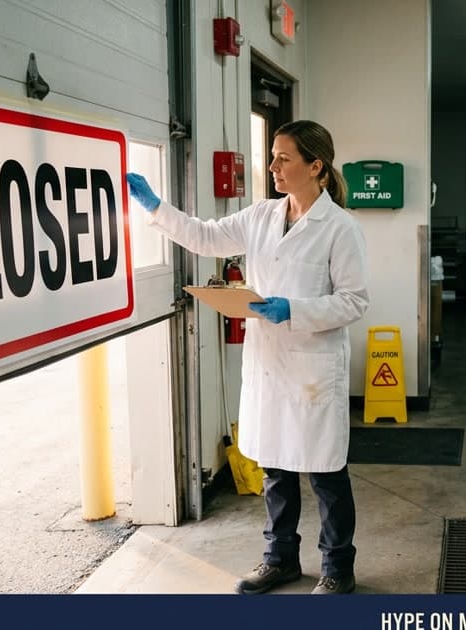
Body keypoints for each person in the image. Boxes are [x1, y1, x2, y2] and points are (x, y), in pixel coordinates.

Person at [125, 120, 368, 595]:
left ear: (315, 166)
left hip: (314, 370)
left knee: (325, 473)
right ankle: (280, 559)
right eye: (273, 156)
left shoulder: (340, 228)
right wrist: (156, 208)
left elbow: (354, 301)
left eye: (284, 158)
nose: (273, 166)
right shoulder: (260, 216)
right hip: (270, 367)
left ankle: (338, 566)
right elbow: (205, 236)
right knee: (276, 469)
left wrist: (290, 310)